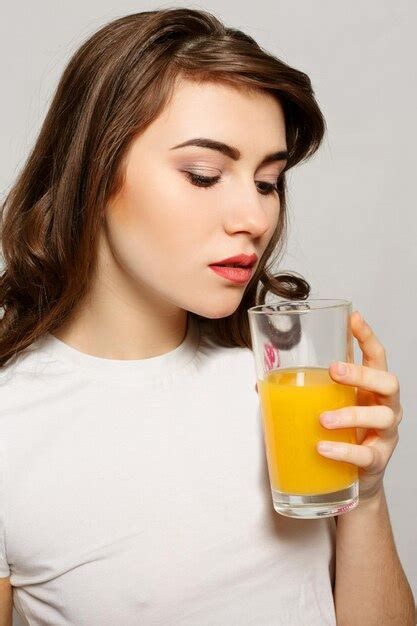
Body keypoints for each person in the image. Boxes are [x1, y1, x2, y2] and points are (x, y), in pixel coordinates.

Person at [0, 7, 414, 626]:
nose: (254, 215)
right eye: (205, 175)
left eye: (269, 181)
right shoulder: (14, 426)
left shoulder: (282, 386)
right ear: (94, 174)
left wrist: (367, 493)